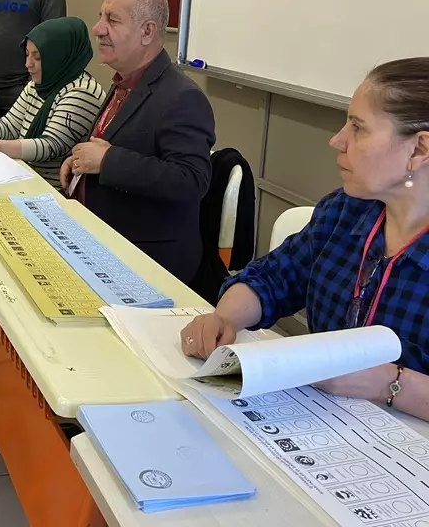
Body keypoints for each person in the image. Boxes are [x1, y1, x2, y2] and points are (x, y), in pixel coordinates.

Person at [181, 58, 429, 419]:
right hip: (320, 427)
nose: (337, 140)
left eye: (358, 128)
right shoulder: (347, 211)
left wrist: (386, 383)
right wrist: (225, 318)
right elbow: (274, 278)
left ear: (419, 149)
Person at [59, 0, 215, 283]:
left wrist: (106, 162)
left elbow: (191, 181)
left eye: (112, 20)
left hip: (145, 260)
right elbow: (121, 142)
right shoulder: (125, 83)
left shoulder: (182, 97)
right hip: (98, 239)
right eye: (100, 17)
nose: (97, 29)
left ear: (147, 32)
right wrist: (81, 162)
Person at [0, 18, 105, 188]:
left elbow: (50, 146)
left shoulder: (82, 92)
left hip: (52, 190)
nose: (28, 64)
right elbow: (10, 127)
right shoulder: (38, 84)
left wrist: (3, 147)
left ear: (60, 57)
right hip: (25, 180)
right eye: (26, 55)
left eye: (38, 58)